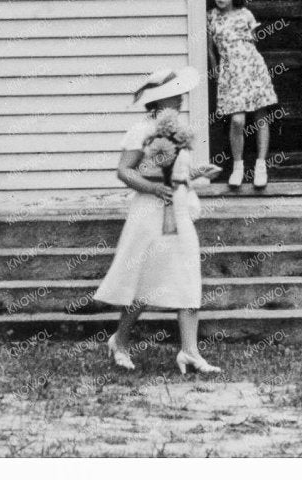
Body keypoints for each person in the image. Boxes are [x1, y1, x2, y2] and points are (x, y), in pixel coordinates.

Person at [95, 68, 222, 375]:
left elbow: (177, 173)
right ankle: (120, 340)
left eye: (180, 94)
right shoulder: (142, 130)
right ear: (160, 100)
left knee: (189, 274)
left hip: (177, 208)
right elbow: (125, 170)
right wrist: (153, 188)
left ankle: (190, 351)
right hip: (149, 211)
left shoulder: (180, 131)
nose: (180, 99)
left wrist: (196, 174)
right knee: (145, 277)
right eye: (174, 95)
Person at [208, 0, 276, 191]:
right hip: (230, 72)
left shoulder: (245, 14)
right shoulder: (211, 17)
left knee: (260, 114)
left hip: (251, 68)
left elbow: (252, 43)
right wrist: (216, 69)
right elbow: (211, 49)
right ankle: (238, 166)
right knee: (237, 120)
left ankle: (260, 165)